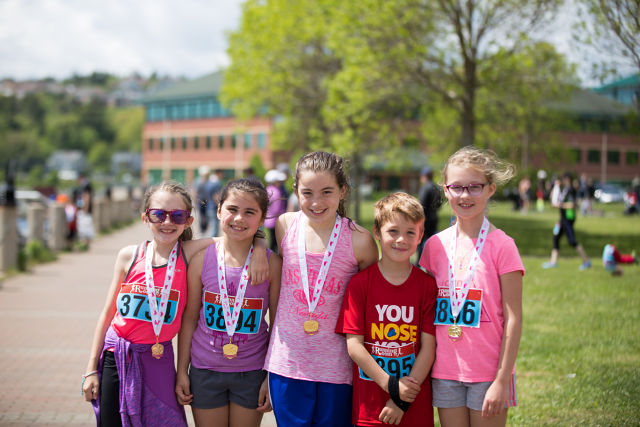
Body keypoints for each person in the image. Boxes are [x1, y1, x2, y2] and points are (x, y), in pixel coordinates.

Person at [81, 180, 269, 427]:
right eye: (158, 214)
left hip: (158, 359)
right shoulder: (129, 255)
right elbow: (107, 315)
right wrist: (91, 369)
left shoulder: (189, 253)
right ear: (145, 218)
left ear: (188, 221)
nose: (167, 222)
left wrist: (260, 245)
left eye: (177, 216)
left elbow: (233, 234)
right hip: (116, 355)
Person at [264, 151, 379, 427]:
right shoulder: (285, 226)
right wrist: (258, 247)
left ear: (343, 191)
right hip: (287, 364)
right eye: (307, 193)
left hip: (337, 368)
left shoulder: (360, 241)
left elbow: (371, 302)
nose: (316, 202)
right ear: (295, 192)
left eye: (326, 192)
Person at [418, 147, 524, 427]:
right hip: (444, 371)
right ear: (445, 190)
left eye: (474, 187)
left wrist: (502, 380)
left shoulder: (503, 246)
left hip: (488, 373)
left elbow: (513, 319)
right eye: (457, 187)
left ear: (490, 189)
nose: (464, 195)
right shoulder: (434, 246)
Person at [176, 179, 282, 426]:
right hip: (205, 370)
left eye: (249, 212)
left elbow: (277, 324)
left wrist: (270, 376)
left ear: (262, 218)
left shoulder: (272, 264)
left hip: (252, 372)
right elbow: (190, 318)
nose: (239, 218)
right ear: (219, 210)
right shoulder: (202, 260)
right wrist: (182, 370)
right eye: (232, 209)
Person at [336, 192, 437, 426]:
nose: (401, 239)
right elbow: (354, 346)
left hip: (414, 404)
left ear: (420, 235)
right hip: (371, 405)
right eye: (393, 231)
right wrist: (392, 387)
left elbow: (428, 349)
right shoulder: (360, 284)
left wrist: (402, 400)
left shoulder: (427, 286)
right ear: (377, 232)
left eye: (410, 232)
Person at [542, 172, 591, 270]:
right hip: (562, 219)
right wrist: (554, 189)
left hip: (568, 219)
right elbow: (554, 199)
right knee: (556, 237)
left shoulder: (571, 190)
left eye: (563, 178)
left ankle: (586, 261)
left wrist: (560, 205)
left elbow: (572, 205)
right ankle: (553, 261)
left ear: (567, 179)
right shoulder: (563, 190)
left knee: (572, 241)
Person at [417, 166, 441, 263]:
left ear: (424, 176)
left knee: (420, 241)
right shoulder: (436, 188)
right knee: (431, 241)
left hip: (425, 218)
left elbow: (421, 204)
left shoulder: (425, 187)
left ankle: (419, 262)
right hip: (434, 218)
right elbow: (439, 204)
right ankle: (432, 261)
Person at [264, 169, 287, 252]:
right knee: (275, 242)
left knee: (271, 241)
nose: (280, 183)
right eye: (278, 181)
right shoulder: (276, 191)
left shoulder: (267, 189)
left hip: (268, 220)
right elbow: (276, 209)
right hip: (275, 221)